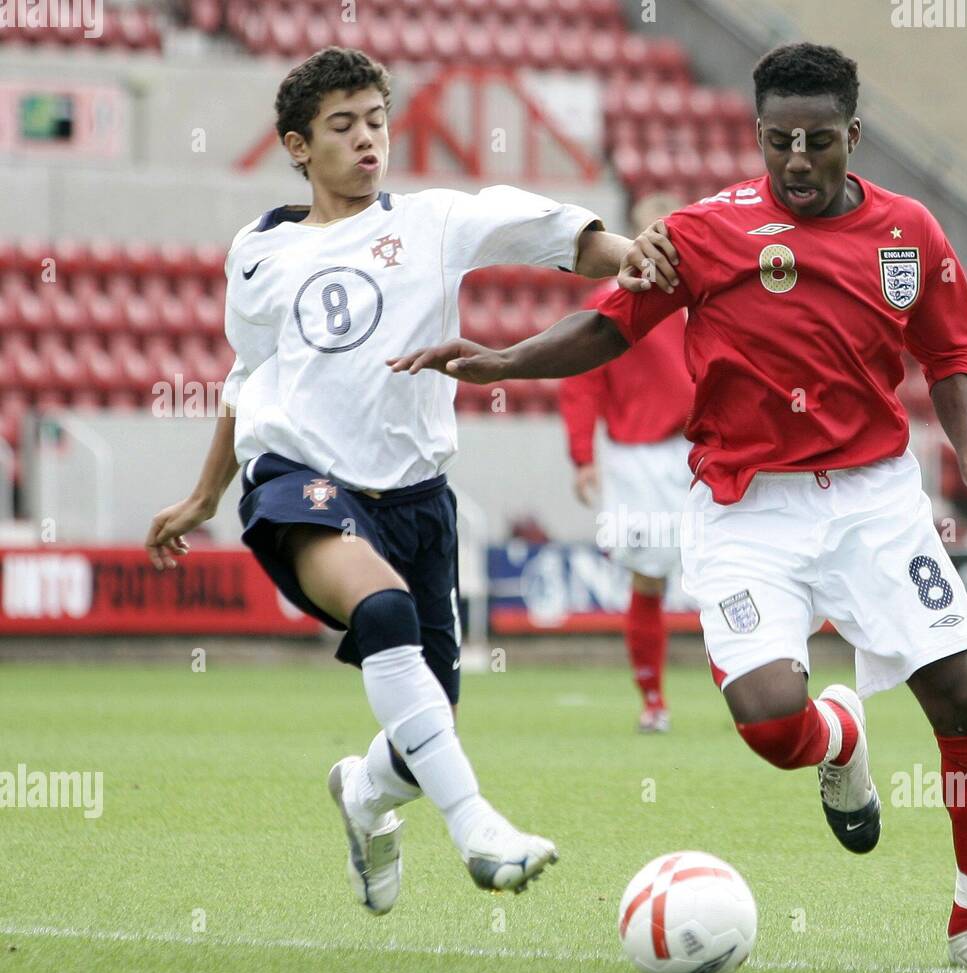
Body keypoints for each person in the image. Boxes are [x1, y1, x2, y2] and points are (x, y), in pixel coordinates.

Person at [390, 43, 967, 972]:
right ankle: (841, 737)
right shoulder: (702, 234)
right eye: (780, 140)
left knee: (961, 695)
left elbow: (954, 359)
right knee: (774, 723)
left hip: (874, 499)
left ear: (853, 137)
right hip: (746, 507)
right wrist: (503, 361)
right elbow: (607, 327)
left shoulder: (912, 235)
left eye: (819, 141)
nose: (798, 159)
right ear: (757, 135)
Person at [144, 47, 675, 915]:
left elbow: (559, 239)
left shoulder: (434, 223)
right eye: (342, 126)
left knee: (430, 726)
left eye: (377, 121)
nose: (367, 141)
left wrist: (631, 257)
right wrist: (206, 494)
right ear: (297, 146)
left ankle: (362, 796)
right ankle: (479, 830)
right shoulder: (258, 253)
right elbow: (250, 376)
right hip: (301, 479)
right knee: (383, 613)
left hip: (419, 499)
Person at [558, 192, 695, 733]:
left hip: (704, 453)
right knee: (648, 580)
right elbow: (580, 381)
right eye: (654, 226)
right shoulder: (610, 300)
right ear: (635, 235)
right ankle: (653, 701)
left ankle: (761, 692)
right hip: (638, 460)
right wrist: (582, 456)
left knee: (740, 573)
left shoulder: (703, 298)